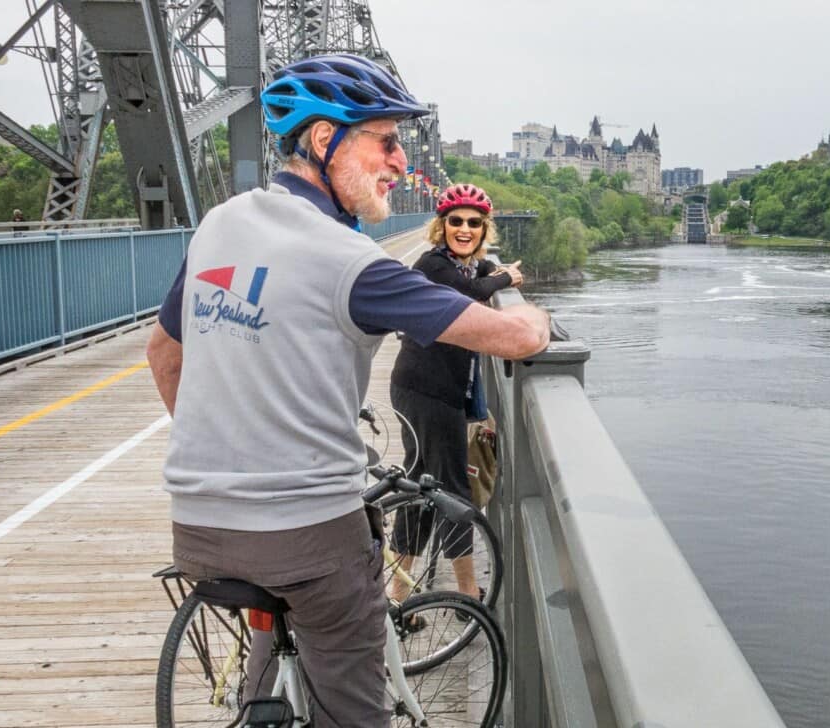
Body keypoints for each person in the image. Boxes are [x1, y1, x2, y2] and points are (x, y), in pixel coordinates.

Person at [145, 54, 549, 728]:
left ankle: (258, 706)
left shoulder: (219, 224)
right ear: (326, 139)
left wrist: (224, 463)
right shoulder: (351, 262)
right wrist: (531, 317)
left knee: (274, 642)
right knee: (352, 698)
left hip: (199, 528)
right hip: (307, 535)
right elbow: (509, 339)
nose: (399, 162)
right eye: (386, 140)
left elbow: (163, 356)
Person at [386, 183, 521, 606]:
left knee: (420, 488)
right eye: (456, 221)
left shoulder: (460, 265)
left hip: (424, 388)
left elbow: (474, 278)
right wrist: (505, 277)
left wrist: (487, 272)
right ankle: (466, 591)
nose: (465, 229)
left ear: (485, 230)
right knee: (452, 490)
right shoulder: (432, 265)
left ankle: (397, 591)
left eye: (474, 223)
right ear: (441, 226)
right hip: (428, 392)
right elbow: (465, 297)